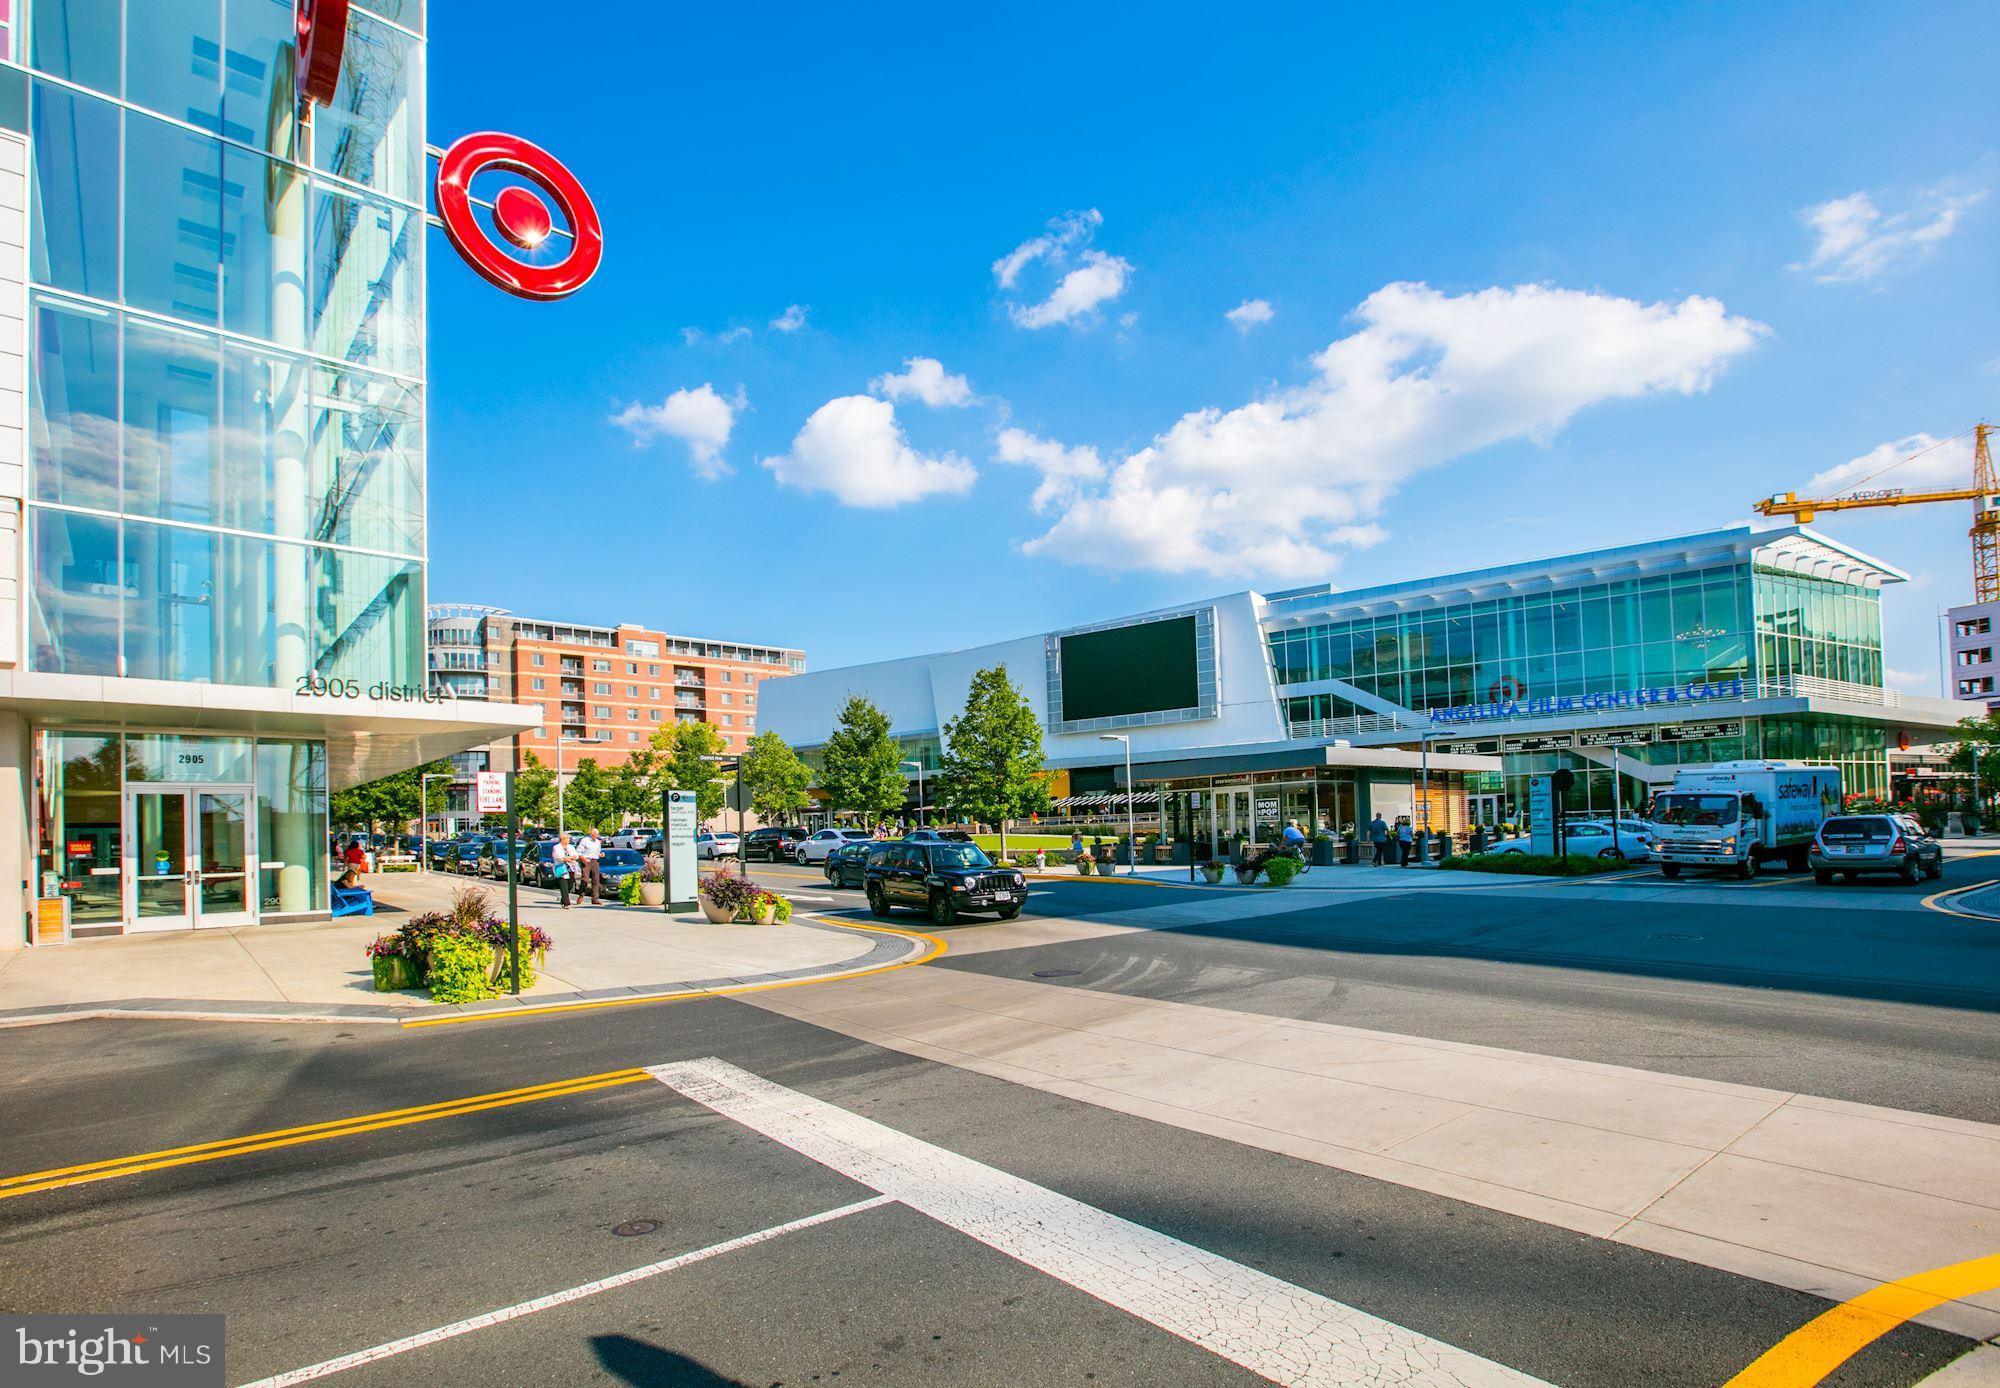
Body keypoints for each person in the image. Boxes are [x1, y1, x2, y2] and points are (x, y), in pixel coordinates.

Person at [577, 828, 604, 905]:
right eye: (595, 834)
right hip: (586, 861)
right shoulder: (585, 840)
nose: (596, 836)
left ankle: (595, 898)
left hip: (595, 861)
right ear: (591, 834)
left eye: (597, 835)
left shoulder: (598, 842)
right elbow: (578, 852)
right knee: (585, 879)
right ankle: (581, 895)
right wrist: (583, 859)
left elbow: (598, 852)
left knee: (596, 880)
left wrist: (601, 854)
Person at [552, 832, 575, 909]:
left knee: (570, 885)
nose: (569, 840)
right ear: (563, 839)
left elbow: (575, 855)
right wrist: (567, 858)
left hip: (571, 868)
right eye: (568, 839)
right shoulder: (556, 847)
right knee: (564, 885)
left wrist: (571, 858)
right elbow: (560, 857)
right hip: (562, 868)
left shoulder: (571, 847)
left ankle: (563, 899)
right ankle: (566, 903)